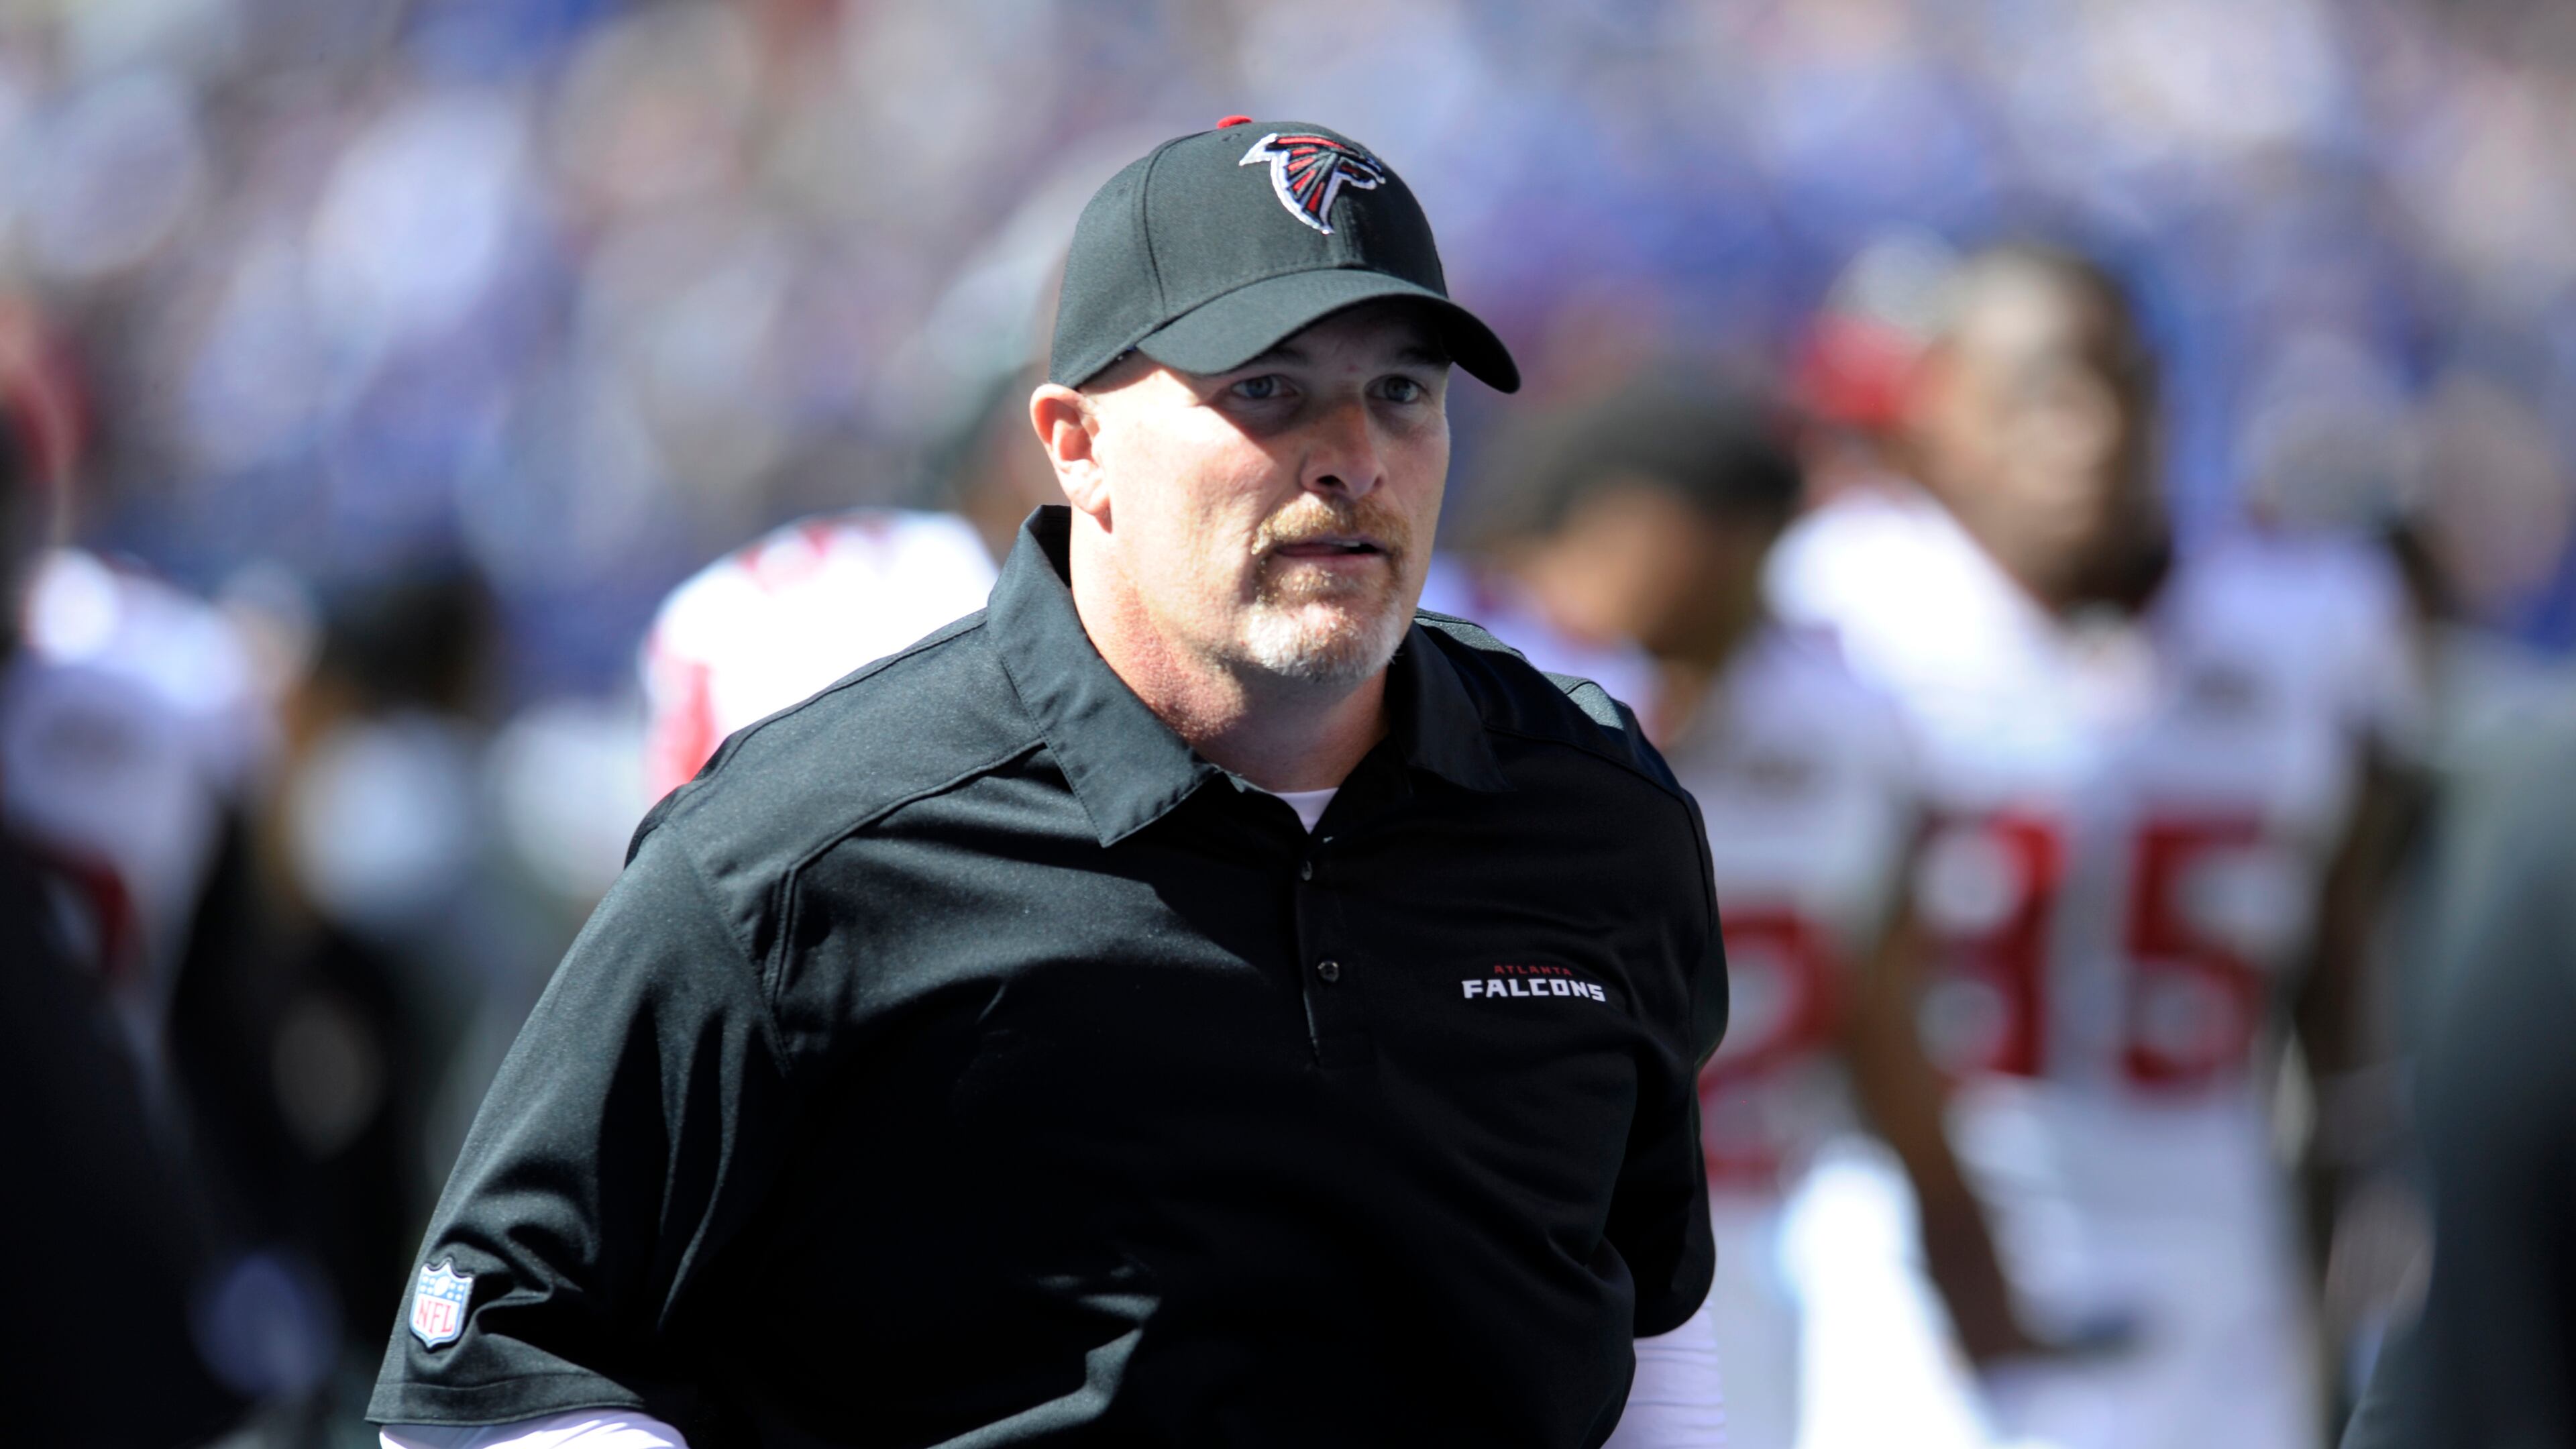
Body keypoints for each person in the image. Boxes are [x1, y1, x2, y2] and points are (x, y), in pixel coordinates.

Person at [372, 117, 1728, 1448]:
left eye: (1403, 390)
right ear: (1073, 443)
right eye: (1266, 387)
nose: (1354, 457)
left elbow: (1653, 1305)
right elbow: (491, 1361)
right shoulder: (808, 850)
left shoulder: (1594, 806)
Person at [1768, 243, 2420, 1449]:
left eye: (2120, 385)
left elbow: (2347, 994)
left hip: (2213, 1248)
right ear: (1936, 418)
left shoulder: (2310, 621)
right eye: (2038, 395)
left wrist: (2358, 1243)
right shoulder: (1841, 612)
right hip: (1906, 1247)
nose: (2092, 432)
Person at [1507, 383, 2051, 1448]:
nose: (1756, 595)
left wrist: (1980, 1293)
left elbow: (1886, 1032)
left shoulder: (1836, 720)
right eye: (1733, 550)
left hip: (1737, 1263)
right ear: (1628, 525)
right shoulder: (1464, 695)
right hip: (1520, 1248)